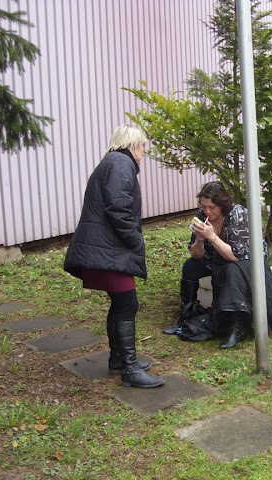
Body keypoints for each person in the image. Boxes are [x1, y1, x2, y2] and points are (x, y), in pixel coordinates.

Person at [64, 125, 165, 388]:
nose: (144, 152)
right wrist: (135, 240)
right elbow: (118, 209)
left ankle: (118, 360)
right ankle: (129, 369)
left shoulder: (109, 162)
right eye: (143, 146)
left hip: (103, 248)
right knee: (127, 305)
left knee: (120, 304)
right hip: (109, 250)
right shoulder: (121, 163)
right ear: (133, 145)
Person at [174, 181, 272, 349]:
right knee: (190, 266)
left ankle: (235, 327)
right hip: (216, 259)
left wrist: (212, 237)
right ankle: (186, 315)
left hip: (245, 261)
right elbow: (196, 255)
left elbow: (235, 255)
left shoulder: (238, 214)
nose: (207, 211)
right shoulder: (202, 215)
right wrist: (199, 241)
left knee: (230, 270)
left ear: (222, 204)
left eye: (212, 207)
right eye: (204, 206)